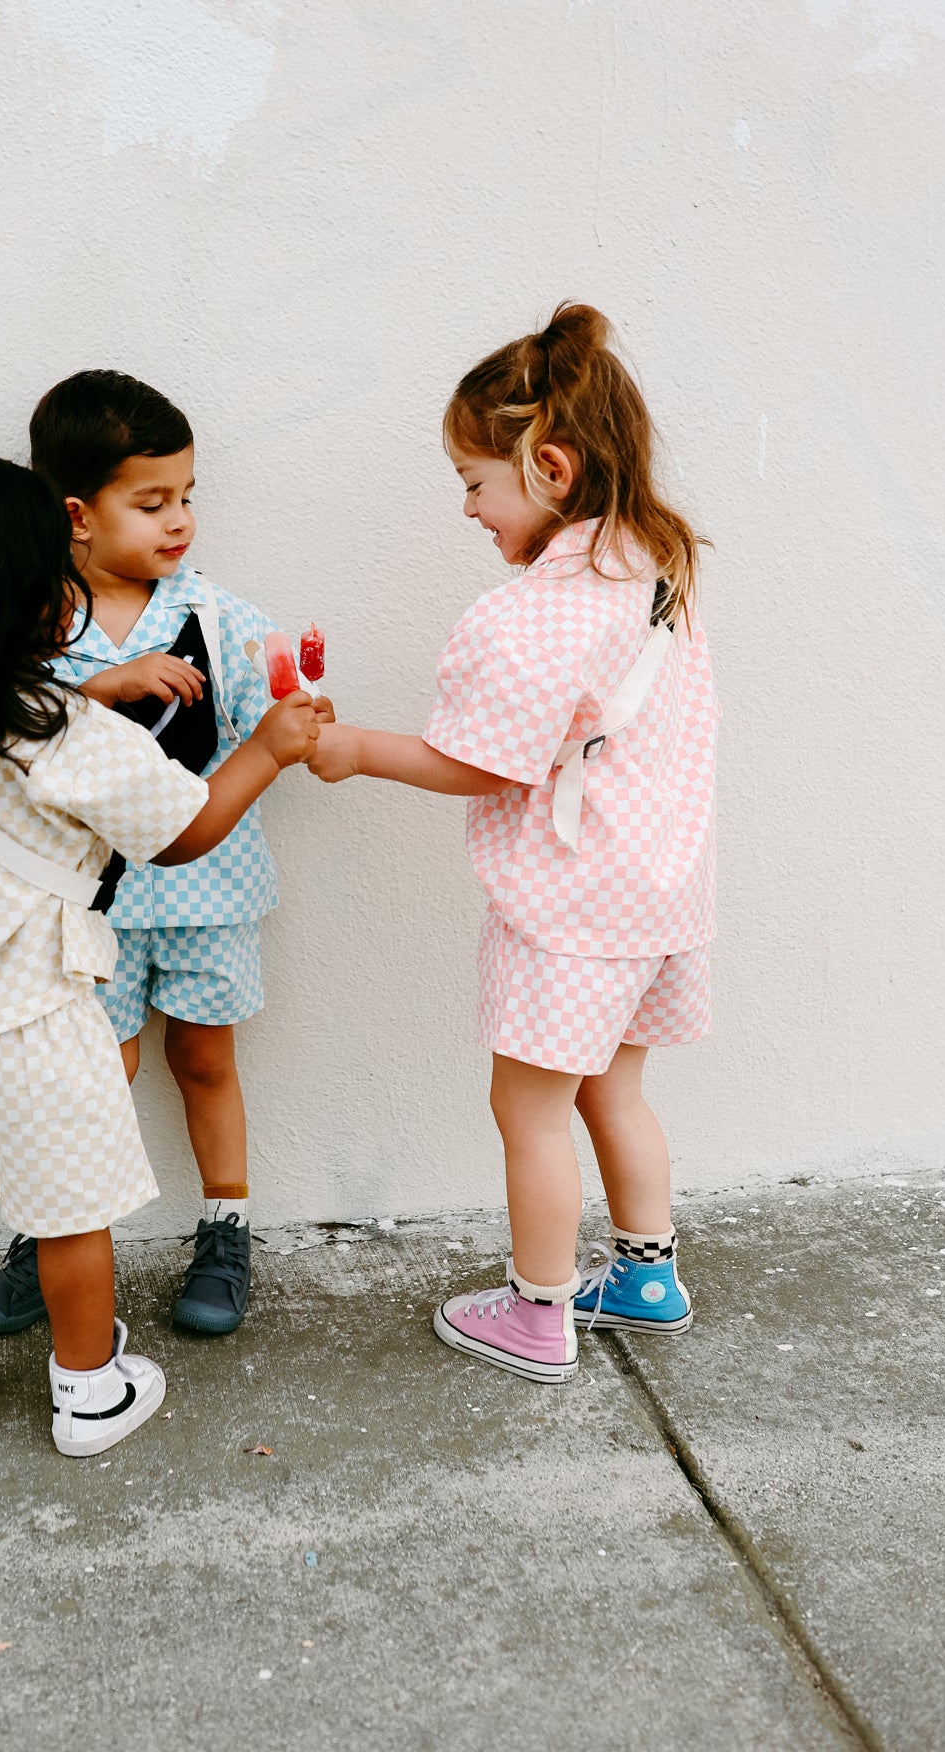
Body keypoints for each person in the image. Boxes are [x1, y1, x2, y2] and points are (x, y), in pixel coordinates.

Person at [0, 454, 318, 1452]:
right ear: (16, 595)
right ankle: (89, 1389)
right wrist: (269, 748)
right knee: (73, 1215)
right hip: (39, 1023)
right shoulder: (61, 729)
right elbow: (187, 826)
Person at [308, 304, 717, 1382]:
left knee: (526, 1109)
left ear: (548, 466)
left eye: (477, 481)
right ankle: (645, 1274)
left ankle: (538, 1314)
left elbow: (488, 761)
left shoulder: (537, 611)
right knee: (615, 1093)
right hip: (656, 899)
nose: (468, 506)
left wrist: (354, 747)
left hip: (572, 911)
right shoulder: (656, 566)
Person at [0, 371, 314, 1341]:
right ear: (75, 514)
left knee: (205, 1058)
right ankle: (52, 1234)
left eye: (188, 496)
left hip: (211, 891)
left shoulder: (224, 616)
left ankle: (226, 1228)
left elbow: (261, 731)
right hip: (87, 910)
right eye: (152, 501)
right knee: (92, 1074)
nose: (179, 520)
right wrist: (101, 690)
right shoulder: (31, 626)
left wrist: (301, 729)